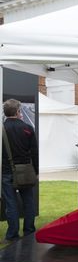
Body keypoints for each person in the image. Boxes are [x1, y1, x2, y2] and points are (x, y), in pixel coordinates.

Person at [1, 99, 38, 244]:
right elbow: (34, 152)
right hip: (26, 170)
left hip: (6, 171)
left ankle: (12, 234)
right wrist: (36, 170)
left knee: (11, 204)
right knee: (28, 202)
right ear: (17, 111)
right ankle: (29, 231)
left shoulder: (2, 129)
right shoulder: (28, 128)